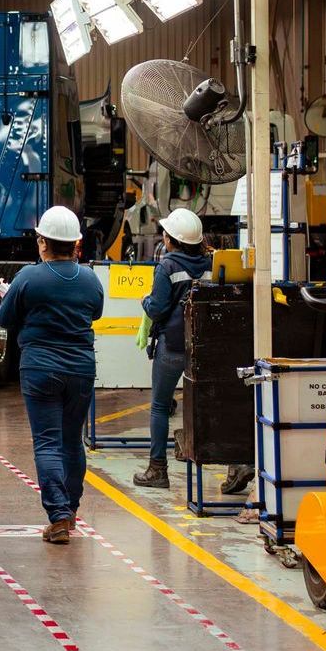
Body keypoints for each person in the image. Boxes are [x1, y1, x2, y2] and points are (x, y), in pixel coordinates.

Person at [0, 206, 104, 545]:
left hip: (41, 367)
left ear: (43, 242)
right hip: (81, 368)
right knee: (73, 440)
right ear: (76, 245)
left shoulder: (29, 277)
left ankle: (57, 515)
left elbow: (3, 318)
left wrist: (10, 295)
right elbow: (96, 311)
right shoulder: (90, 278)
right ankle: (69, 510)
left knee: (47, 441)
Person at [132, 209, 231, 490]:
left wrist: (145, 302)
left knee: (160, 406)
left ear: (171, 239)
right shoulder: (212, 264)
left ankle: (157, 470)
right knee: (212, 406)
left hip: (173, 345)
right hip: (205, 345)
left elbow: (159, 308)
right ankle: (229, 463)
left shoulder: (168, 266)